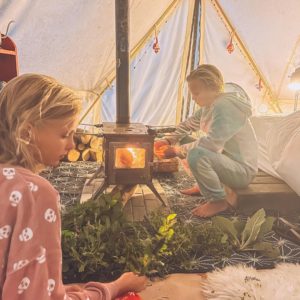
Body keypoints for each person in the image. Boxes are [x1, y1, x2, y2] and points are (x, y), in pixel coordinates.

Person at [0, 74, 147, 299]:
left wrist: (51, 284)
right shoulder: (34, 193)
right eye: (64, 134)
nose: (71, 144)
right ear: (26, 133)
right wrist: (113, 287)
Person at [155, 64, 258, 217]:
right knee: (184, 140)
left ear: (212, 88)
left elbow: (212, 144)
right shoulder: (209, 105)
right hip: (224, 162)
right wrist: (168, 141)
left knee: (196, 154)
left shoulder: (225, 107)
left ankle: (217, 201)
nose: (194, 98)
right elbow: (188, 125)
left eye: (196, 93)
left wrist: (177, 151)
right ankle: (203, 186)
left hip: (241, 171)